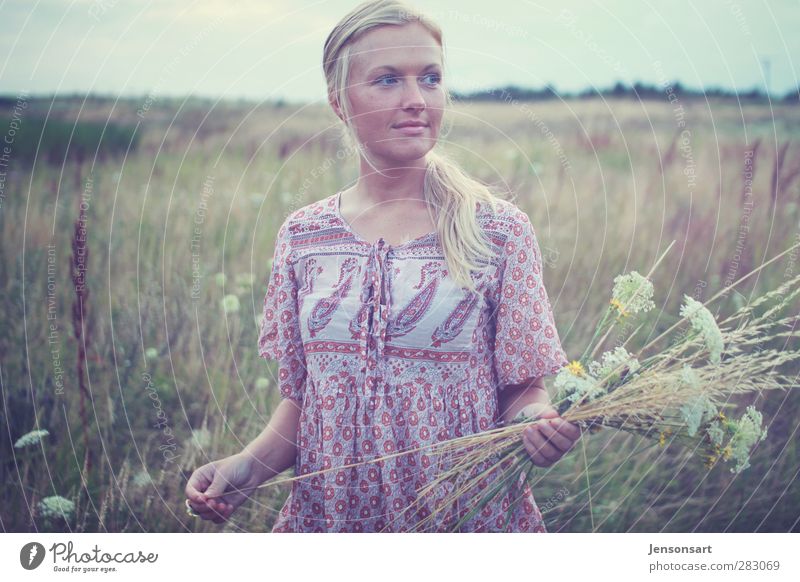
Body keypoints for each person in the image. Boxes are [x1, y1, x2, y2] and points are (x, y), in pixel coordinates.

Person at [185, 0, 581, 532]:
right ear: (339, 103)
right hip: (332, 520)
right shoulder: (305, 237)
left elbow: (522, 393)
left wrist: (539, 426)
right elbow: (308, 400)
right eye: (388, 80)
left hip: (462, 520)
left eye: (431, 78)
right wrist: (246, 469)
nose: (417, 99)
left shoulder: (498, 231)